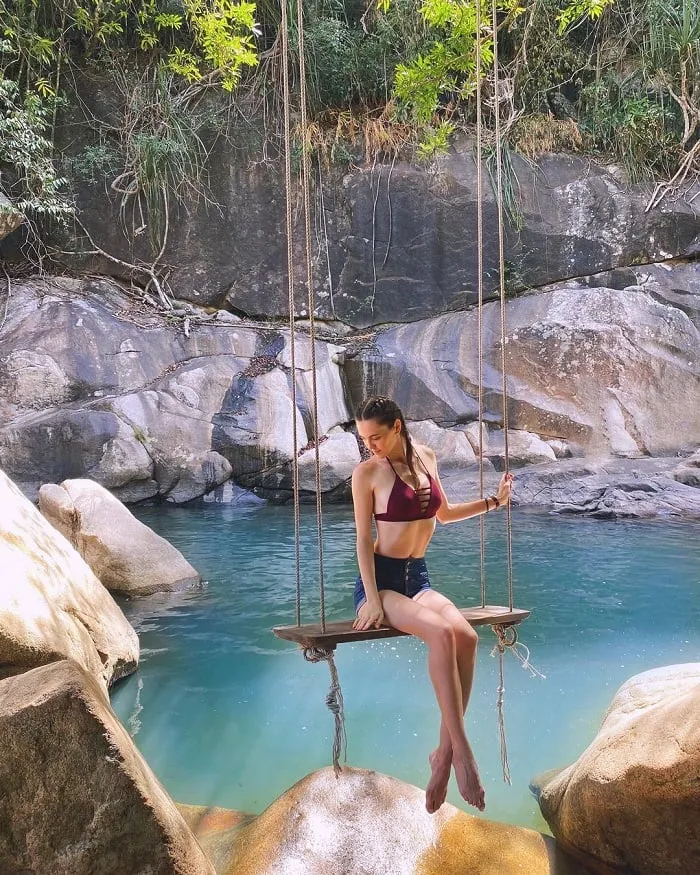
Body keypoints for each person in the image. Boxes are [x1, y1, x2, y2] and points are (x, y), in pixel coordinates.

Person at [351, 395, 513, 815]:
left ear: (397, 426)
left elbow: (445, 514)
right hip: (381, 584)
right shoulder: (367, 473)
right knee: (441, 634)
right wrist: (372, 599)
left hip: (418, 579)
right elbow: (363, 542)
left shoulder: (426, 458)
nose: (370, 445)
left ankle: (441, 756)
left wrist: (495, 502)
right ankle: (462, 754)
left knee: (466, 638)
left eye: (376, 437)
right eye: (365, 438)